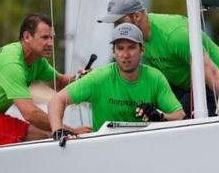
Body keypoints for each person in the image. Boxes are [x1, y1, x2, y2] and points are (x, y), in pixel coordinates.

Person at [0, 13, 90, 149]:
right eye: (45, 37)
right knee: (45, 134)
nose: (51, 43)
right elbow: (30, 114)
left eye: (52, 37)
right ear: (27, 37)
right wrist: (71, 131)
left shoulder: (37, 61)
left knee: (46, 133)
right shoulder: (12, 64)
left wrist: (82, 79)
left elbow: (58, 83)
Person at [97, 0, 219, 117]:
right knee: (145, 114)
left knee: (178, 122)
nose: (117, 28)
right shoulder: (136, 39)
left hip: (216, 81)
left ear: (137, 16)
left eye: (119, 22)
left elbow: (213, 73)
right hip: (181, 86)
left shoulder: (174, 35)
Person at [48, 23, 185, 142]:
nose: (125, 55)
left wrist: (160, 116)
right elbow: (56, 100)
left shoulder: (155, 78)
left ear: (142, 50)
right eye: (120, 48)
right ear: (113, 52)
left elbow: (180, 116)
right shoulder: (99, 77)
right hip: (104, 149)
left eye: (131, 47)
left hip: (143, 148)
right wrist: (59, 132)